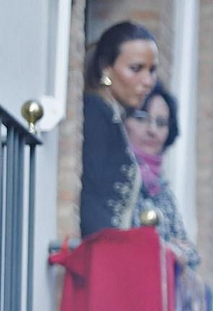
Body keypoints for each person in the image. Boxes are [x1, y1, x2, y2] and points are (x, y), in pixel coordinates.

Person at [81, 23, 197, 263]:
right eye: (136, 69)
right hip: (103, 264)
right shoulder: (95, 114)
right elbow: (94, 208)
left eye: (152, 70)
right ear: (106, 68)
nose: (147, 81)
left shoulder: (111, 119)